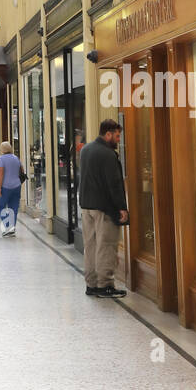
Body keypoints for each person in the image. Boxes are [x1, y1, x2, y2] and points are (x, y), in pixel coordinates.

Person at [78, 119, 129, 299]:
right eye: (116, 136)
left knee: (90, 246)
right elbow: (114, 184)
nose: (118, 139)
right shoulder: (108, 155)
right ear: (107, 134)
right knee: (106, 246)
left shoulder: (86, 150)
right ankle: (105, 285)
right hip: (104, 208)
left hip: (86, 206)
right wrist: (121, 207)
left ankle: (91, 284)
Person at [0, 141, 24, 236]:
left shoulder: (2, 159)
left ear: (2, 149)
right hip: (17, 186)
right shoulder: (16, 158)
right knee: (14, 208)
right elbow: (22, 170)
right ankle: (12, 229)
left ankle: (8, 226)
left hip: (5, 186)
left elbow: (0, 174)